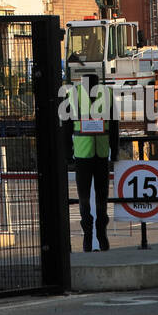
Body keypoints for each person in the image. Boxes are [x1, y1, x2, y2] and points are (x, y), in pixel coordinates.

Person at [67, 73, 119, 252]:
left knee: (102, 196)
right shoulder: (72, 95)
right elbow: (66, 127)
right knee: (84, 198)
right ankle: (87, 233)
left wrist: (115, 151)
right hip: (82, 155)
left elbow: (114, 126)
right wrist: (68, 154)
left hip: (101, 155)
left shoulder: (107, 94)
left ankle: (101, 232)